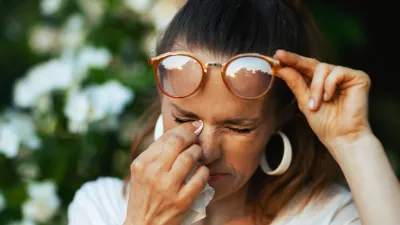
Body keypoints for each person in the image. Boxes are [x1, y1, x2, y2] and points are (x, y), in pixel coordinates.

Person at [67, 0, 400, 224]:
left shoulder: (323, 215)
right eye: (184, 119)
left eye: (238, 127)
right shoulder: (102, 207)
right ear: (161, 97)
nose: (208, 150)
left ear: (279, 117)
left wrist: (354, 142)